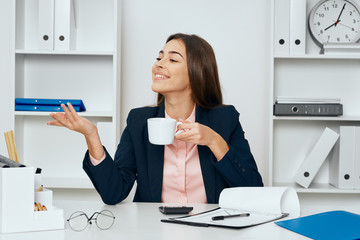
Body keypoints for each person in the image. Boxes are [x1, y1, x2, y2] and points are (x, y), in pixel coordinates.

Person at [47, 33, 263, 205]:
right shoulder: (139, 120)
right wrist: (92, 136)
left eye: (172, 59)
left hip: (213, 230)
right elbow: (114, 193)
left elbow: (254, 190)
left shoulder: (224, 119)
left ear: (196, 72)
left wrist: (215, 142)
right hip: (154, 230)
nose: (158, 64)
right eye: (159, 57)